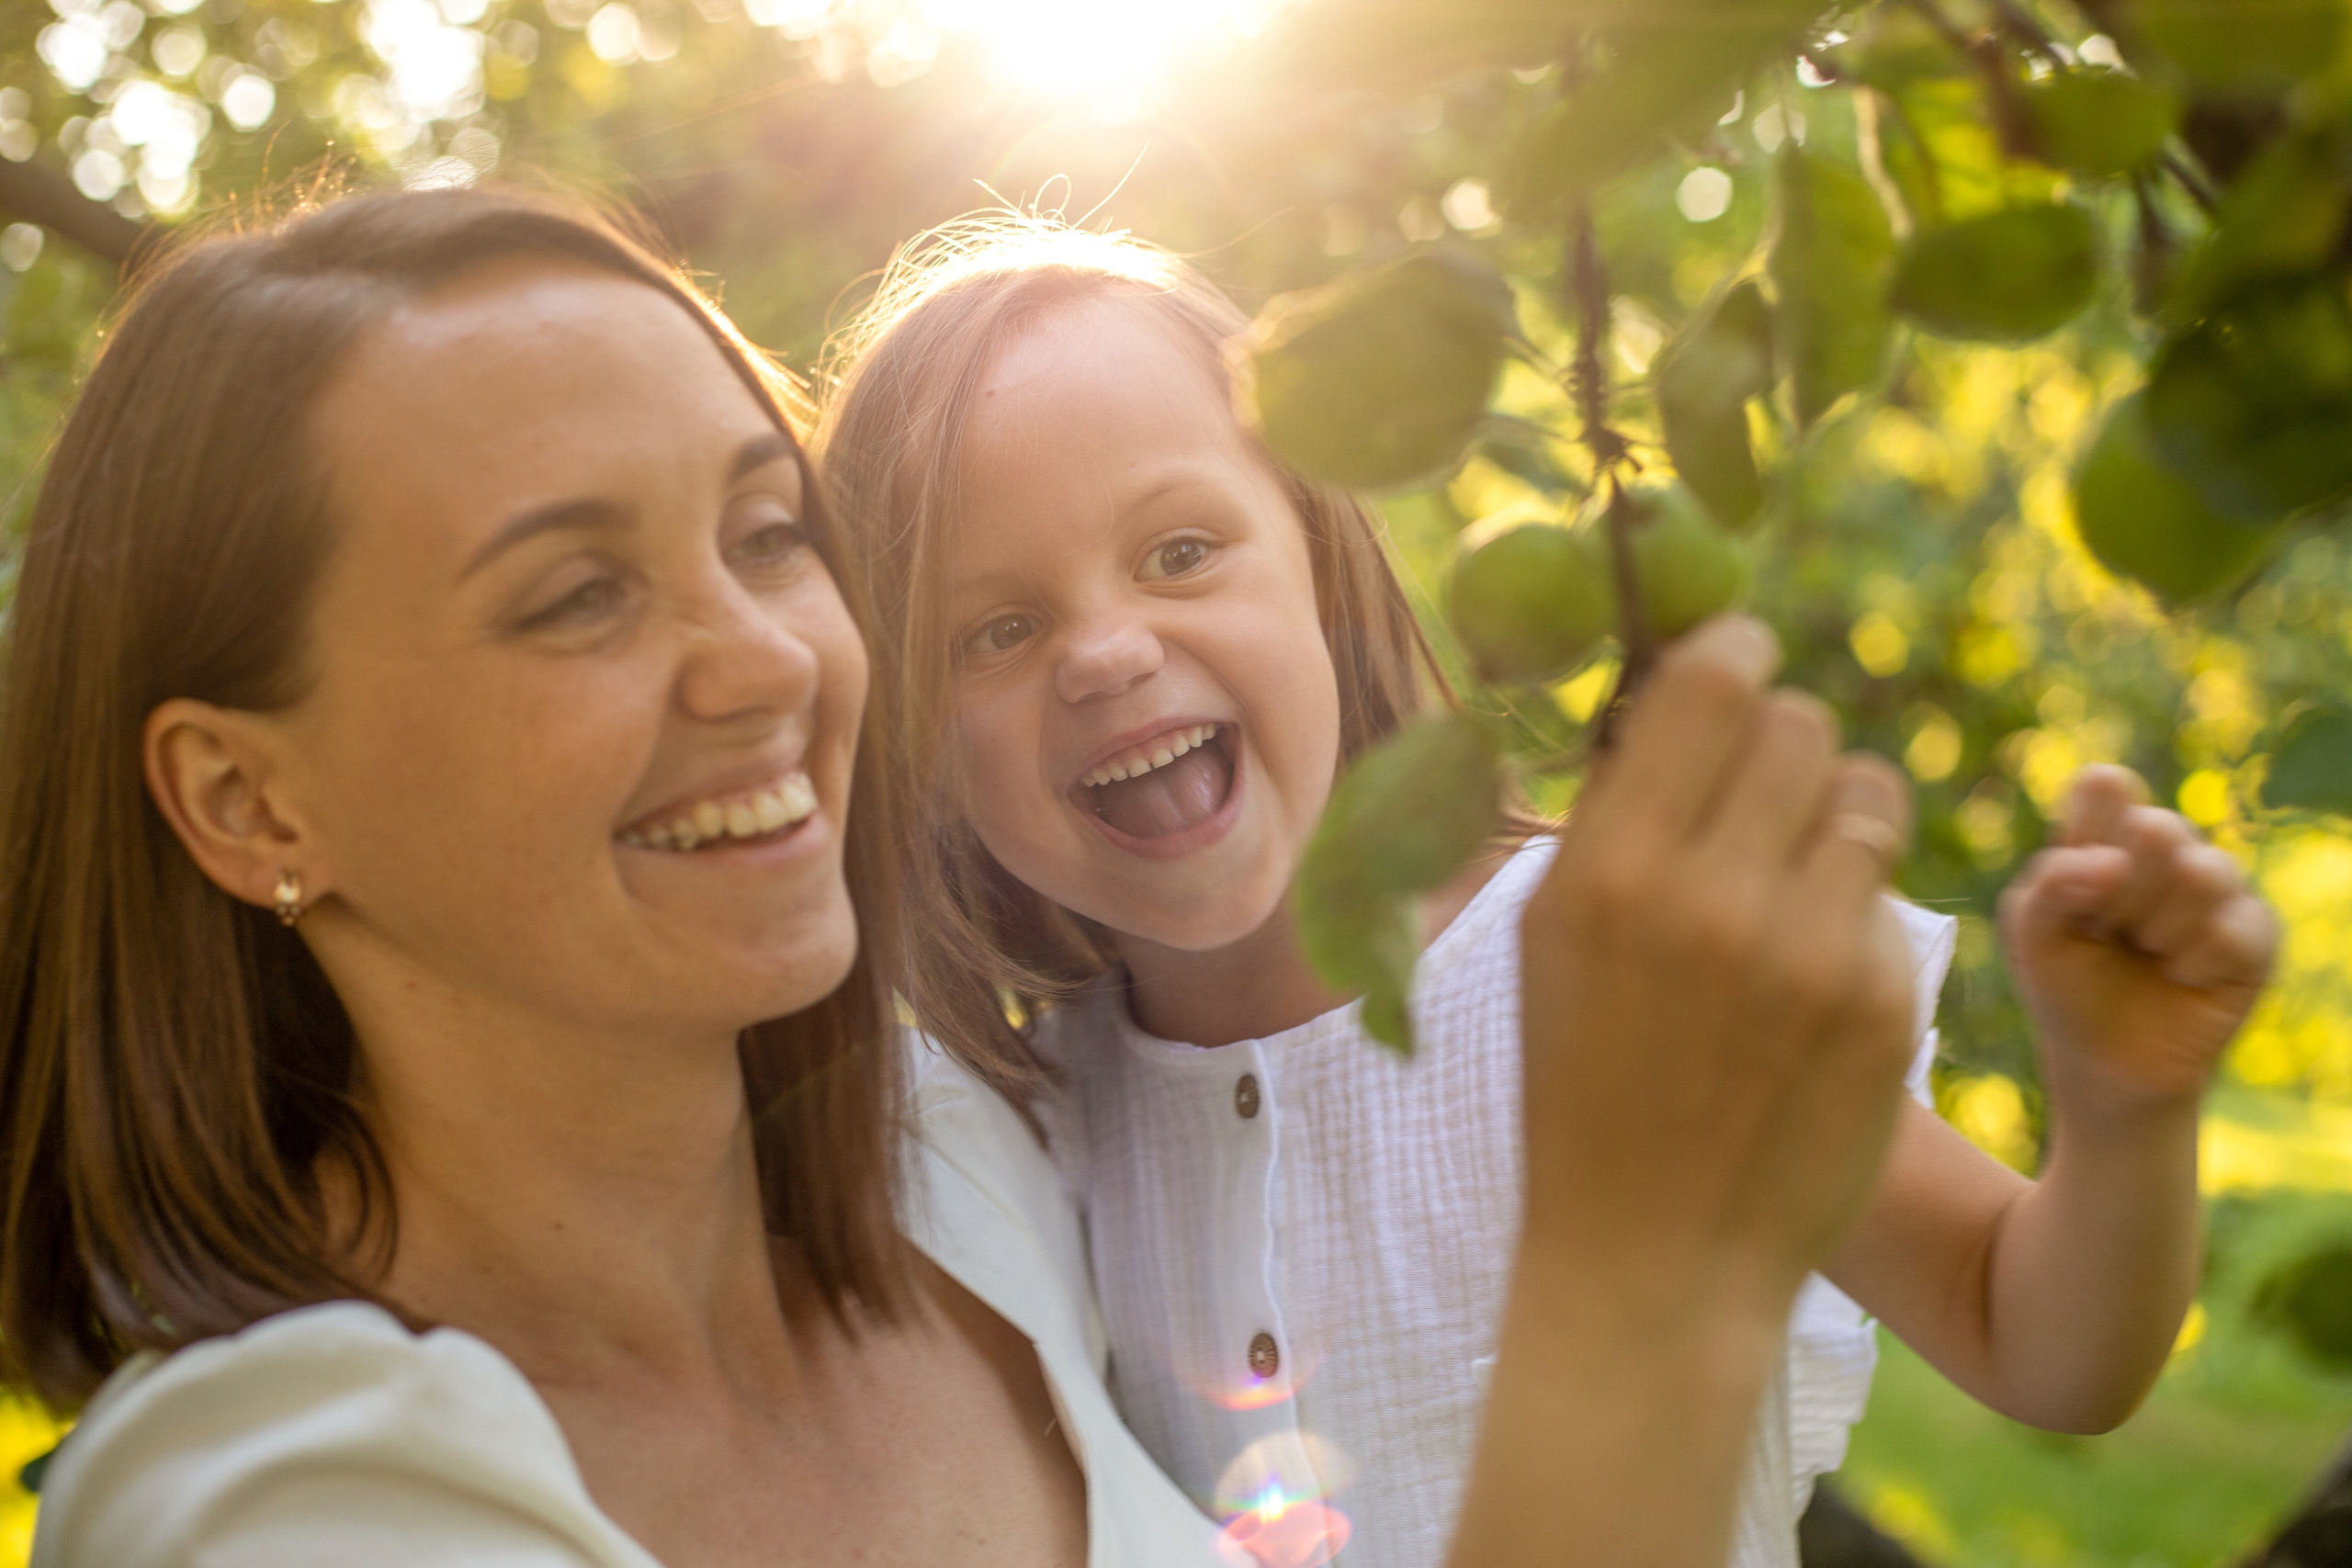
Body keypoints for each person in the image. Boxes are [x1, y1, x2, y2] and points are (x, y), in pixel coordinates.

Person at [3, 184, 1925, 1568]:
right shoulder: (286, 1504)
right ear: (249, 802)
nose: (767, 657)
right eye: (576, 592)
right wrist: (1636, 1267)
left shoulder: (964, 1177)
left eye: (769, 533)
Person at [814, 216, 2281, 1568]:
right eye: (993, 631)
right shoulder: (1025, 1142)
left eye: (1180, 552)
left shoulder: (1622, 966)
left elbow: (2038, 1339)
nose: (1105, 651)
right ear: (914, 757)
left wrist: (2124, 1113)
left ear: (1321, 566)